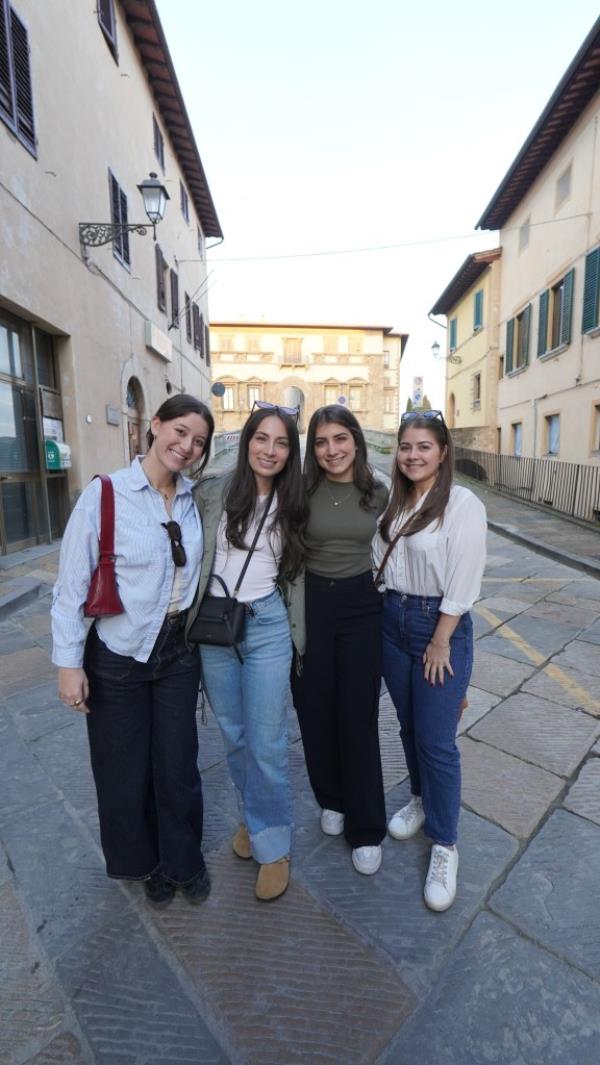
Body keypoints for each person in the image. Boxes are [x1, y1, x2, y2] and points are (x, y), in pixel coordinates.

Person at [51, 395, 214, 908]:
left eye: (199, 442)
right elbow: (70, 587)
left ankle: (183, 862)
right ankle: (143, 864)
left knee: (177, 766)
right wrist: (68, 665)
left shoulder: (195, 501)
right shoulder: (106, 494)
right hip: (118, 653)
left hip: (177, 653)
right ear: (156, 425)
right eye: (180, 432)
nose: (186, 447)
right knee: (124, 769)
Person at [187, 402, 306, 902]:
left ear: (290, 451)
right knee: (234, 737)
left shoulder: (298, 501)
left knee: (267, 740)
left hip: (267, 626)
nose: (270, 450)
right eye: (262, 439)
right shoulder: (212, 492)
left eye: (281, 442)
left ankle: (274, 846)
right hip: (216, 625)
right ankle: (254, 820)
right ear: (247, 441)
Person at [373, 410, 486, 912]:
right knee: (407, 728)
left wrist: (441, 640)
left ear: (443, 452)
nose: (413, 455)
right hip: (391, 619)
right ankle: (419, 800)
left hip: (436, 625)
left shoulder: (462, 504)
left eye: (423, 446)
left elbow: (463, 578)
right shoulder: (395, 501)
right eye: (405, 446)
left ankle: (445, 844)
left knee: (438, 741)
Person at [291, 405, 388, 875]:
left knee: (358, 712)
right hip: (310, 602)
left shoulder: (379, 491)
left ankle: (366, 826)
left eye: (340, 439)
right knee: (313, 706)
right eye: (322, 442)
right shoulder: (300, 491)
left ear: (356, 440)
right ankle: (331, 798)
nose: (332, 450)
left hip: (361, 603)